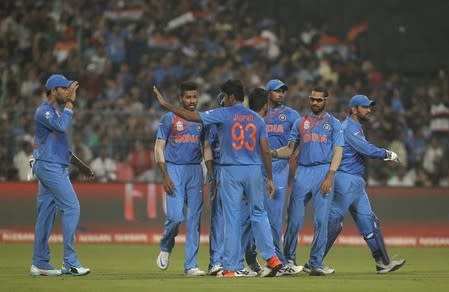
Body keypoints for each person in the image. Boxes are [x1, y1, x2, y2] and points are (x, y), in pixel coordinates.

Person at [153, 79, 283, 278]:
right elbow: (265, 151)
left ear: (230, 97)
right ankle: (272, 258)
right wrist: (270, 178)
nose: (223, 99)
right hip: (255, 170)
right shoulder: (256, 118)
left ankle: (230, 267)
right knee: (259, 213)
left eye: (224, 96)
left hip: (231, 170)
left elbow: (192, 116)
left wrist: (165, 105)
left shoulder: (223, 113)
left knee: (231, 218)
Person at [323, 94, 406, 273]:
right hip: (346, 179)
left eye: (369, 107)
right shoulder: (348, 127)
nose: (369, 110)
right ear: (354, 110)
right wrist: (388, 154)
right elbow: (366, 149)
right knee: (334, 221)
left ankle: (383, 263)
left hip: (356, 182)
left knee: (370, 223)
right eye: (365, 107)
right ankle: (315, 262)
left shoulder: (356, 127)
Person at [271, 87, 343, 276]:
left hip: (323, 172)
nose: (315, 103)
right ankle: (289, 260)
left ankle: (316, 263)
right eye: (312, 99)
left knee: (321, 221)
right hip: (303, 171)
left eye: (319, 100)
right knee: (293, 219)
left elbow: (338, 152)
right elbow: (289, 149)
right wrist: (273, 153)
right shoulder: (300, 123)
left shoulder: (334, 124)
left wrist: (330, 175)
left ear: (326, 100)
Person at [30, 74, 90, 276]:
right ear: (54, 91)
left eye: (68, 89)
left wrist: (81, 166)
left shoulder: (57, 112)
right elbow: (61, 126)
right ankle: (70, 262)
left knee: (46, 216)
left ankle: (40, 263)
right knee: (72, 206)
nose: (67, 92)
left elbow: (61, 147)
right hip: (49, 166)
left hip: (53, 164)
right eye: (64, 89)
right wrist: (72, 102)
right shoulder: (44, 111)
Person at [155, 81, 209, 277]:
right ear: (180, 99)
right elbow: (158, 147)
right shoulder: (169, 118)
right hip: (174, 170)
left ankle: (191, 266)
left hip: (195, 170)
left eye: (194, 97)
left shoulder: (201, 120)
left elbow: (206, 148)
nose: (192, 101)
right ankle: (166, 246)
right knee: (176, 217)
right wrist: (164, 174)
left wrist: (208, 171)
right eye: (188, 97)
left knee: (194, 220)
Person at [263, 79, 302, 275]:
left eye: (282, 91)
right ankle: (255, 260)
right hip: (257, 167)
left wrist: (294, 152)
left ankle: (279, 260)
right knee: (252, 215)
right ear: (268, 93)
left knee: (275, 217)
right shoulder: (258, 114)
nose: (281, 94)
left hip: (278, 167)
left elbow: (304, 134)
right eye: (277, 91)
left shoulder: (292, 115)